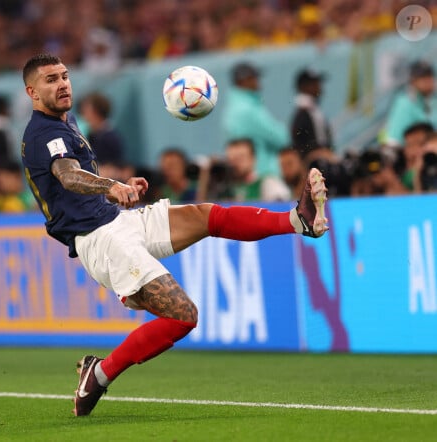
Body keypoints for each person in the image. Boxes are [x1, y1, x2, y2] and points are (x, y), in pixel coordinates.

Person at [20, 54, 329, 417]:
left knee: (206, 216)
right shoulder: (43, 133)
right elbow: (68, 176)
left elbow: (76, 181)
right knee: (183, 316)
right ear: (32, 92)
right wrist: (111, 185)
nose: (62, 84)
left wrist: (117, 188)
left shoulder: (64, 121)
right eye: (51, 80)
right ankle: (100, 373)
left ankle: (298, 221)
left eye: (65, 76)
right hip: (100, 240)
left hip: (116, 220)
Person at [221, 62, 289, 177]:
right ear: (243, 80)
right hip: (262, 174)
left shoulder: (232, 107)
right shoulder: (247, 109)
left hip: (248, 174)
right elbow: (282, 138)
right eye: (254, 77)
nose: (257, 81)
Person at [215, 138, 291, 202]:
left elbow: (283, 209)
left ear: (253, 159)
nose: (235, 164)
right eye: (231, 159)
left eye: (240, 158)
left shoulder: (267, 183)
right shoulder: (224, 188)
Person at [384, 60, 436, 146]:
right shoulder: (406, 103)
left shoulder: (431, 101)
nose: (428, 81)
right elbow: (394, 139)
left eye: (430, 76)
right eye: (423, 77)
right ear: (413, 81)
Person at [290, 68, 333, 158]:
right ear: (303, 87)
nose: (319, 87)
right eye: (314, 84)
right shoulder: (304, 113)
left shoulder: (313, 111)